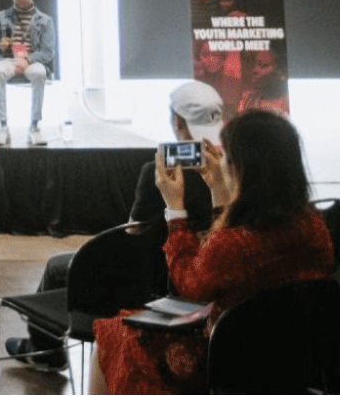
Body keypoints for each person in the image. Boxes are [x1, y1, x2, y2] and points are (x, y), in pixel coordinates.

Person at [89, 109, 333, 394]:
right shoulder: (314, 229)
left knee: (111, 333)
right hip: (292, 358)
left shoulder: (234, 246)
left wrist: (174, 209)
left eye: (228, 156)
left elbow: (189, 286)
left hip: (229, 357)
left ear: (243, 169)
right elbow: (226, 263)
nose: (222, 161)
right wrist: (219, 189)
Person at [4, 81, 221, 372]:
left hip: (152, 286)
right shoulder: (233, 172)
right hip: (209, 290)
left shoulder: (157, 174)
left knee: (58, 267)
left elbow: (133, 234)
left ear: (176, 121)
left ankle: (44, 351)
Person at [0, 0, 56, 146]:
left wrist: (29, 59)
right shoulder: (0, 17)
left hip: (33, 60)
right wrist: (0, 47)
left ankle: (35, 126)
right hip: (8, 60)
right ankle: (3, 127)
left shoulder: (45, 21)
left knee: (40, 73)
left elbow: (48, 52)